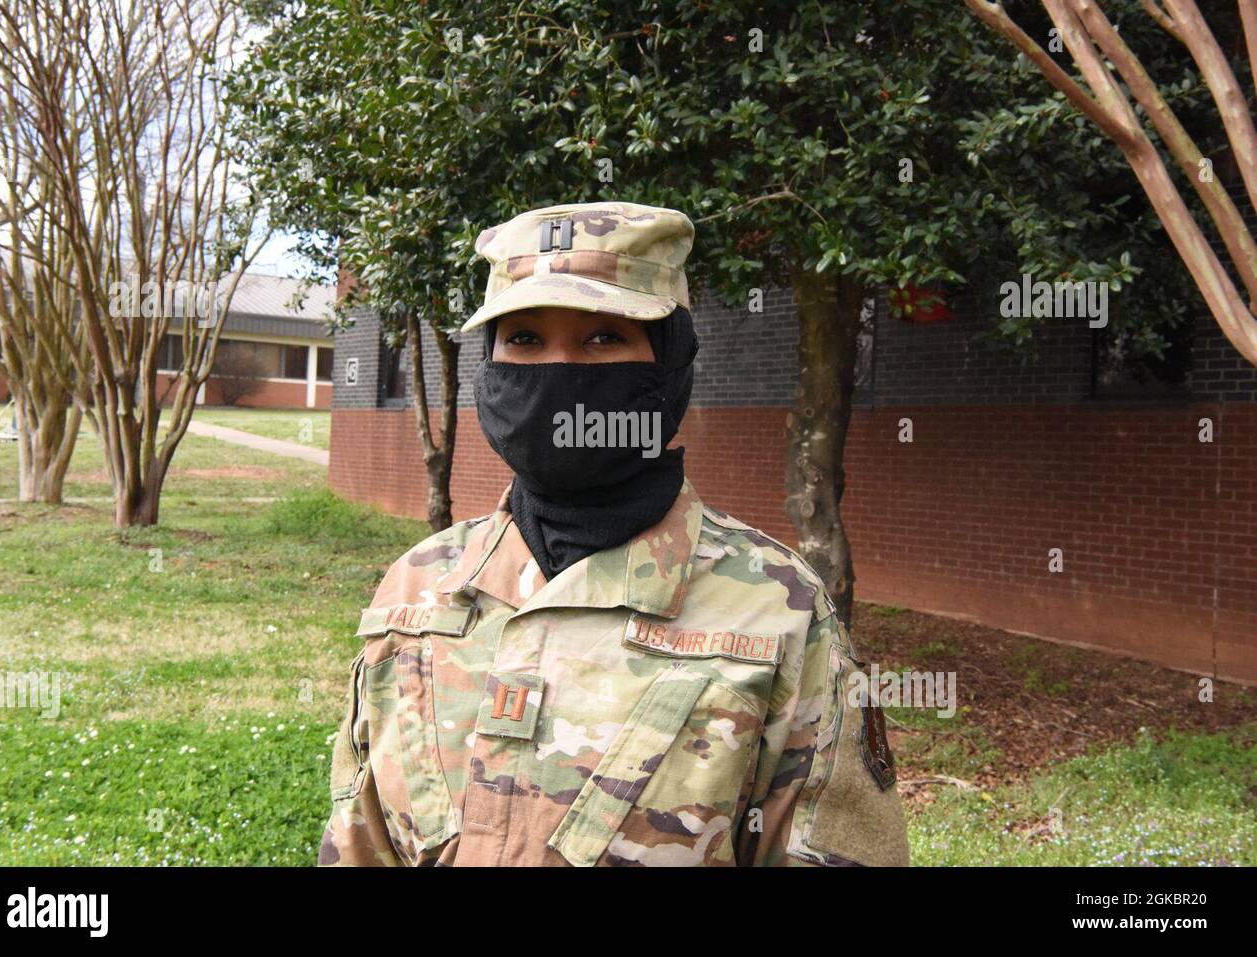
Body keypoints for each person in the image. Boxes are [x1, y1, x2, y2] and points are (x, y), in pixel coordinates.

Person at [318, 200, 909, 867]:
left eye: (604, 337)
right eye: (525, 339)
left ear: (670, 362)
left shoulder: (782, 613)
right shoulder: (418, 589)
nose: (559, 372)